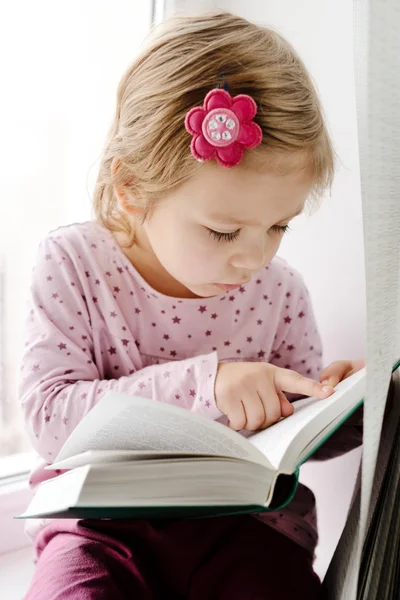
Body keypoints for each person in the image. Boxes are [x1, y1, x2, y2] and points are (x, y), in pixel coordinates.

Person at [19, 11, 365, 600]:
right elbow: (50, 418)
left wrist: (348, 407)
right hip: (97, 532)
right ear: (131, 189)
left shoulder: (280, 290)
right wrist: (210, 386)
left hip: (248, 531)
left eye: (279, 226)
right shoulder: (74, 262)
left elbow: (290, 444)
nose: (253, 259)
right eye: (224, 232)